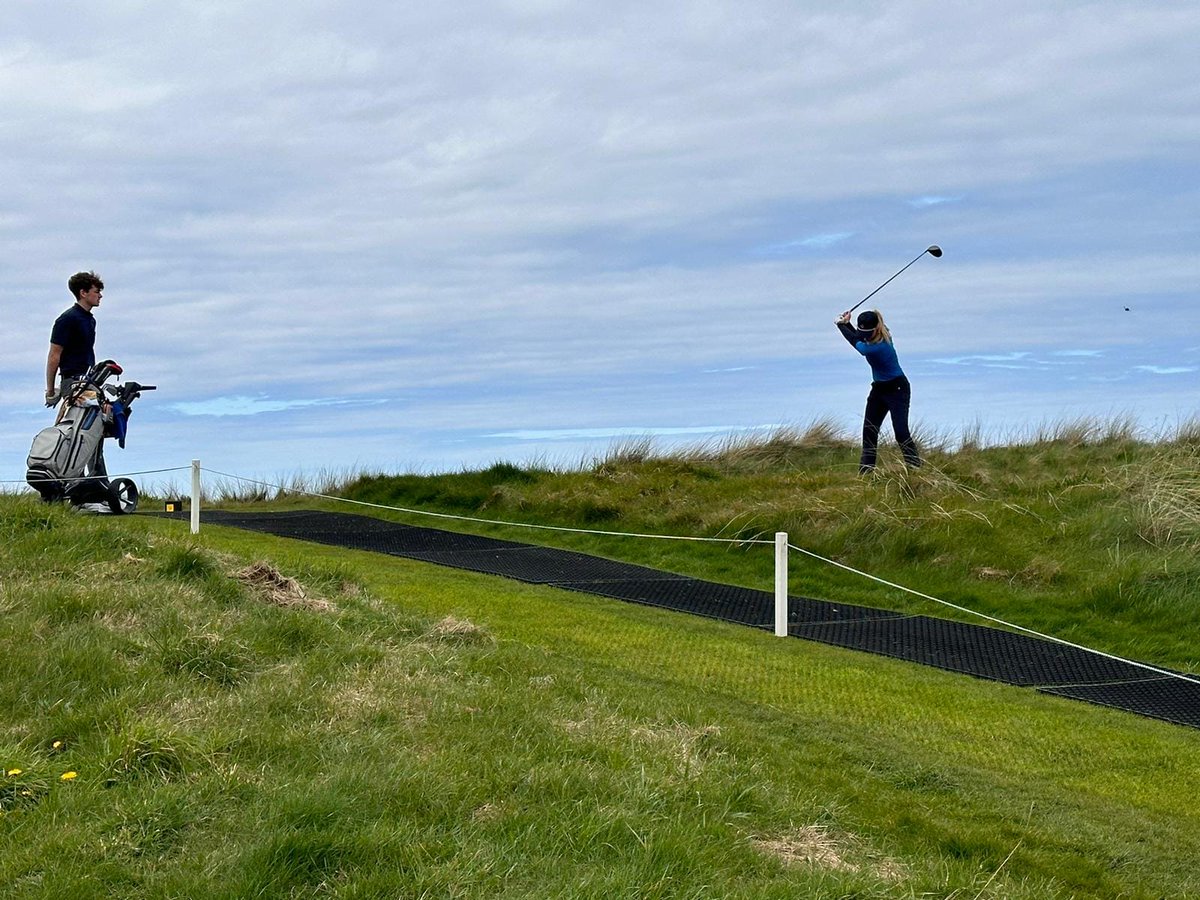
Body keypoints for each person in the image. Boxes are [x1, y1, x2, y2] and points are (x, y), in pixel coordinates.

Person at [836, 308, 921, 474]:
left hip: (897, 389)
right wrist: (847, 324)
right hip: (879, 389)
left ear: (875, 329)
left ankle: (915, 468)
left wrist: (841, 325)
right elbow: (858, 336)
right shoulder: (876, 333)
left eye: (866, 332)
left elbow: (857, 343)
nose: (864, 335)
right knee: (869, 430)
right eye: (862, 331)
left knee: (901, 432)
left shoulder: (879, 347)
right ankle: (866, 472)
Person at [45, 271, 103, 408]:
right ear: (83, 293)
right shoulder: (67, 319)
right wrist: (51, 391)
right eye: (96, 291)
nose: (100, 295)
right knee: (86, 417)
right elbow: (54, 355)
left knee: (106, 415)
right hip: (73, 382)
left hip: (88, 380)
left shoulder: (90, 320)